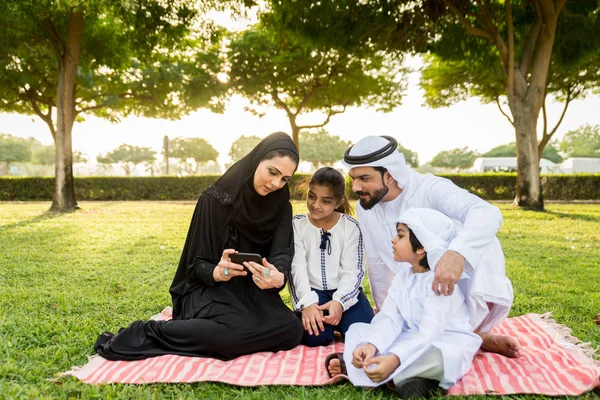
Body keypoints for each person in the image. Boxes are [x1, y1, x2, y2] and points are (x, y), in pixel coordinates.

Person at [94, 132, 304, 361]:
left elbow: (281, 254)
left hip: (251, 292)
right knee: (227, 337)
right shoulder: (215, 198)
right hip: (207, 290)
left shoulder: (282, 205)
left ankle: (225, 332)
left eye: (284, 179)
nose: (276, 183)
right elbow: (194, 265)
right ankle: (146, 331)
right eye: (272, 172)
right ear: (257, 161)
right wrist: (218, 271)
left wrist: (278, 277)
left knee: (292, 329)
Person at [341, 135, 518, 358]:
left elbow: (487, 213)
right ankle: (466, 336)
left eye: (364, 178)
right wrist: (385, 310)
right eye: (353, 178)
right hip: (413, 285)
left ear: (390, 175)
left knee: (484, 240)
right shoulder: (366, 207)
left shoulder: (430, 188)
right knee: (389, 332)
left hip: (457, 281)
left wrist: (458, 253)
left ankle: (478, 331)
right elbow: (377, 263)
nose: (356, 187)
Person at [327, 208, 482, 399]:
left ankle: (397, 372)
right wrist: (371, 345)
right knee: (361, 335)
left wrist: (395, 358)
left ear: (422, 247)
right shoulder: (403, 278)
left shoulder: (441, 283)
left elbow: (430, 333)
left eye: (400, 236)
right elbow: (390, 319)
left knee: (438, 356)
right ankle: (402, 375)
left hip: (443, 341)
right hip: (412, 336)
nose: (393, 240)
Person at [289, 167, 374, 347]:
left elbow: (354, 271)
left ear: (338, 202)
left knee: (363, 334)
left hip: (345, 293)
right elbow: (297, 268)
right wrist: (308, 304)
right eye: (311, 196)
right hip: (314, 294)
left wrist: (340, 302)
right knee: (314, 337)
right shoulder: (297, 225)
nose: (315, 205)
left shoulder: (350, 226)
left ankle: (341, 322)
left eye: (325, 201)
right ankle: (331, 327)